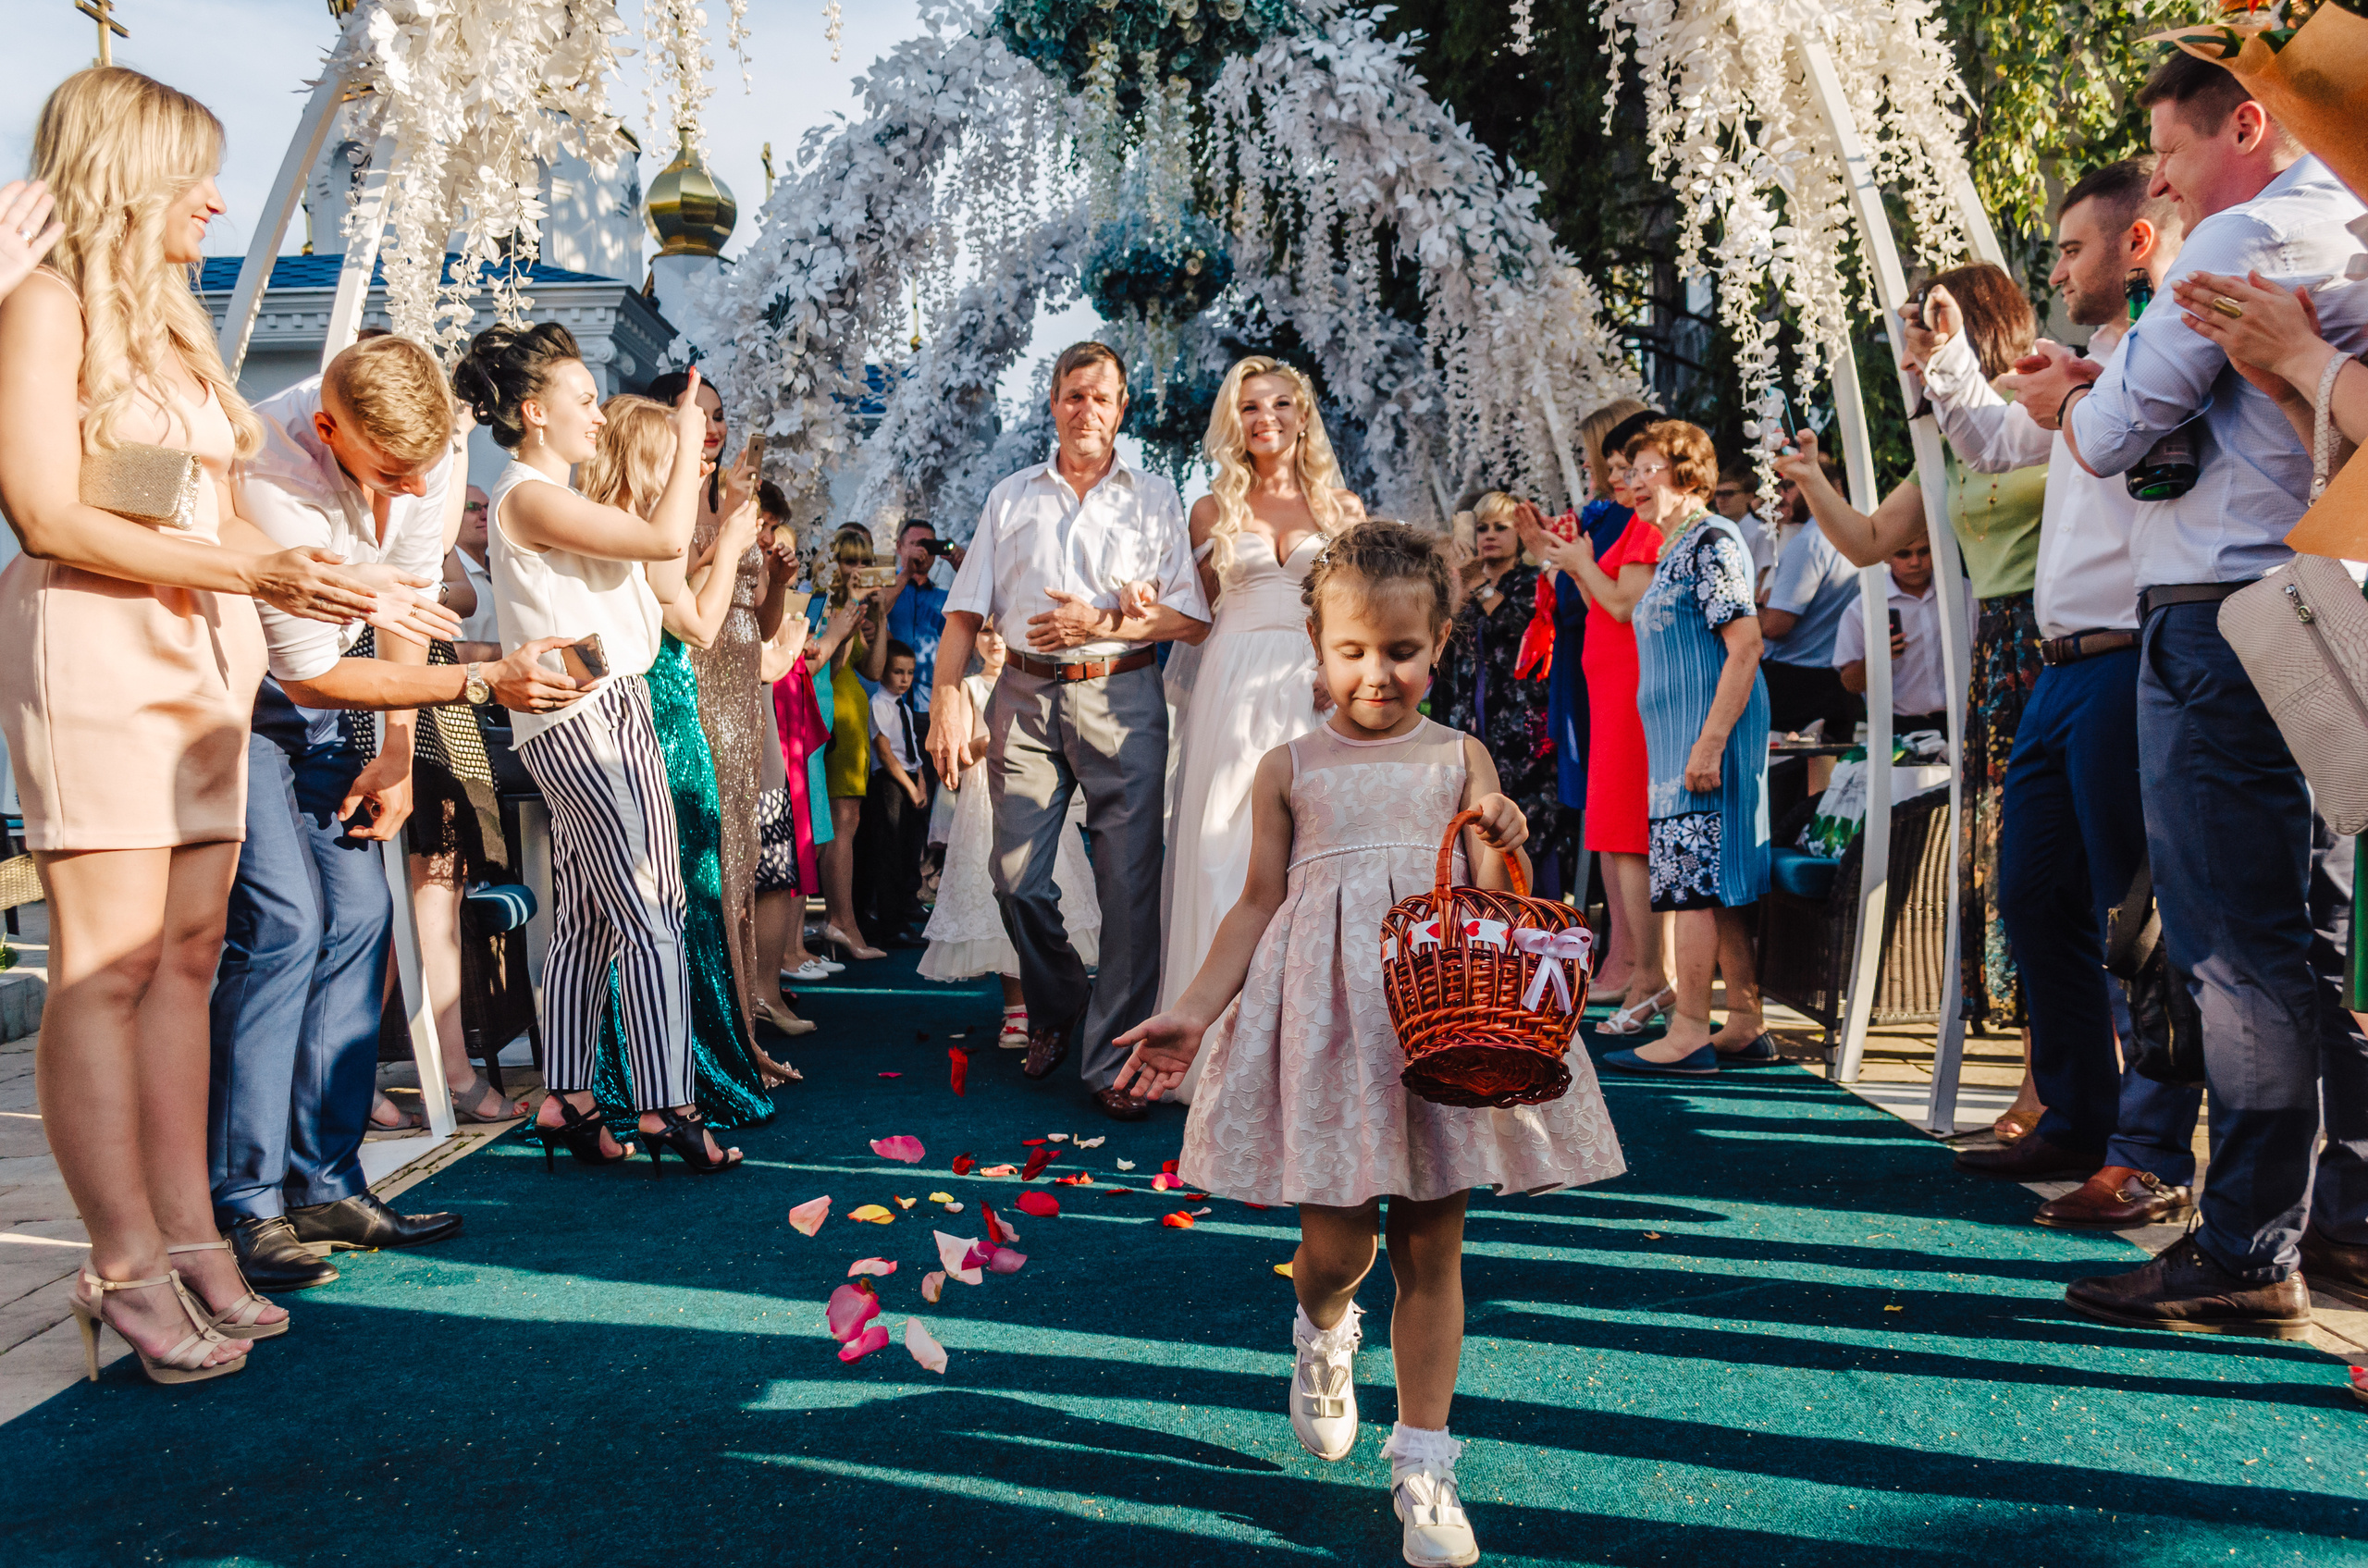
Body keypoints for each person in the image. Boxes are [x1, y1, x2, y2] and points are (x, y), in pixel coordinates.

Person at [1112, 521, 1625, 1567]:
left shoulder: (1460, 755)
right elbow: (1256, 905)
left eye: (1401, 651)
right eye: (1353, 651)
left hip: (1437, 1025)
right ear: (1317, 646)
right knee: (1341, 1248)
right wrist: (1194, 1011)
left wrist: (1503, 831)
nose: (1377, 673)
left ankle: (1425, 1462)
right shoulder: (1287, 766)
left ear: (1436, 644)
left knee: (1433, 1245)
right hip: (1332, 1031)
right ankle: (1322, 1329)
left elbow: (1487, 901)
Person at [0, 73, 372, 1387]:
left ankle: (190, 1230)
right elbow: (48, 510)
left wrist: (318, 577)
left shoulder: (173, 323)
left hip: (201, 652)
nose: (217, 199)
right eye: (197, 174)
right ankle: (121, 1261)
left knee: (194, 955)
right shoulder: (43, 307)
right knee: (106, 966)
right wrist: (253, 572)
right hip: (98, 644)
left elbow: (185, 505)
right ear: (131, 171)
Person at [2002, 52, 2368, 1333]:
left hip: (2224, 627)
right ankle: (2341, 1214)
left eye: (2170, 148)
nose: (2155, 177)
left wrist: (2077, 402)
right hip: (2315, 611)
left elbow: (2104, 444)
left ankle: (2245, 1241)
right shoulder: (2341, 226)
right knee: (2312, 938)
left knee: (2232, 947)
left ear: (2253, 123)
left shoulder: (2241, 241)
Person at [212, 331, 570, 1288]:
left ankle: (325, 1178)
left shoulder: (429, 454)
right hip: (252, 704)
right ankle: (244, 1201)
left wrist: (402, 753)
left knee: (364, 920)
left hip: (354, 710)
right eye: (389, 474)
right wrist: (484, 684)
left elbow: (402, 617)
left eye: (426, 473)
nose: (414, 495)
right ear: (326, 428)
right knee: (285, 926)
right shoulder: (269, 470)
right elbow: (314, 668)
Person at [1907, 155, 2205, 1227]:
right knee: (2034, 895)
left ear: (2136, 245)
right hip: (2057, 668)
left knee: (2139, 920)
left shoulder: (2173, 345)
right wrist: (1947, 363)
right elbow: (1993, 441)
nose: (2058, 267)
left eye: (2074, 247)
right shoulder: (2097, 360)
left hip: (2135, 652)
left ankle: (2148, 1149)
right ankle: (2077, 1114)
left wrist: (2082, 389)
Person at [457, 324, 746, 1176]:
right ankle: (669, 1103)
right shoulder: (524, 494)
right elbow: (663, 545)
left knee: (586, 920)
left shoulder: (560, 498)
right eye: (585, 401)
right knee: (653, 910)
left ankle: (569, 1096)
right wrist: (689, 441)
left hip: (601, 709)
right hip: (588, 720)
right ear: (535, 411)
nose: (598, 415)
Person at [927, 341, 1212, 1120]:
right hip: (1020, 692)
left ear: (1123, 409)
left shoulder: (1155, 497)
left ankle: (1110, 1066)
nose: (1087, 409)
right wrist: (945, 698)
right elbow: (963, 609)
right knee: (1015, 879)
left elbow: (1190, 618)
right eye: (1073, 394)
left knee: (1128, 886)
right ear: (1052, 402)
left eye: (1102, 397)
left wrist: (1107, 619)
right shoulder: (1010, 496)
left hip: (1124, 694)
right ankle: (1057, 999)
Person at [1776, 264, 2049, 1043]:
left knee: (2058, 863)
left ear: (1973, 330)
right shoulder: (1948, 444)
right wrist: (1811, 478)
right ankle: (2040, 1061)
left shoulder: (2051, 404)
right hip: (1992, 659)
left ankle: (2080, 1070)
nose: (1907, 359)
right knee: (2008, 864)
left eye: (1920, 337)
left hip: (2058, 640)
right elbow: (1866, 541)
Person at [571, 393, 796, 1119]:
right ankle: (670, 1077)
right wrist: (727, 547)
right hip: (661, 721)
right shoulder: (634, 535)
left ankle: (710, 1049)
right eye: (674, 454)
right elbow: (696, 625)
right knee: (676, 902)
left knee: (692, 895)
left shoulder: (635, 533)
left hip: (669, 718)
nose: (688, 469)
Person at [1159, 355, 1362, 1100]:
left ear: (1303, 415)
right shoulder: (1212, 511)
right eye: (1250, 407)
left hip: (1308, 690)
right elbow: (1190, 616)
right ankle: (1210, 1048)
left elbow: (1361, 613)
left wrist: (1336, 669)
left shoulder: (1343, 508)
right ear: (1234, 420)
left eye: (1280, 403)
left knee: (1307, 857)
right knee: (1223, 848)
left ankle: (1304, 1047)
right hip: (1231, 685)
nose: (1266, 417)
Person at [1595, 421, 1773, 1074]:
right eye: (1631, 469)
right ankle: (1746, 1019)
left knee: (1693, 885)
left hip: (1703, 741)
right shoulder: (1678, 546)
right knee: (1709, 885)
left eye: (1647, 468)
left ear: (1688, 474)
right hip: (1678, 744)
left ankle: (1691, 1028)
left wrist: (1711, 741)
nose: (1633, 481)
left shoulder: (1711, 542)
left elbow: (1745, 644)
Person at [645, 371, 799, 1046]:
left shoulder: (732, 500)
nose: (711, 428)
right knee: (701, 862)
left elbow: (761, 625)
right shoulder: (664, 502)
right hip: (692, 685)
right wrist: (726, 537)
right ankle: (703, 1032)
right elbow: (668, 593)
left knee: (742, 861)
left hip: (746, 690)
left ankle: (740, 1020)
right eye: (695, 413)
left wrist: (781, 580)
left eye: (718, 415)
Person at [1520, 411, 1669, 1032]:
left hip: (1630, 681)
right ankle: (1633, 964)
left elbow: (1618, 602)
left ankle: (1647, 972)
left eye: (1625, 469)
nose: (1615, 479)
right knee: (1611, 827)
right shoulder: (1624, 524)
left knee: (1629, 831)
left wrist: (1577, 563)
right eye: (1613, 470)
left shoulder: (1642, 529)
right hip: (1604, 681)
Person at [920, 620, 1103, 1046]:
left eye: (1002, 630)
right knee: (999, 900)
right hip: (988, 799)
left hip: (1039, 793)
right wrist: (991, 741)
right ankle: (1016, 1010)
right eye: (985, 631)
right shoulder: (970, 687)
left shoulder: (1041, 678)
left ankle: (1056, 998)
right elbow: (962, 757)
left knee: (1051, 890)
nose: (995, 639)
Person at [1536, 398, 1647, 912]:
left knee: (1621, 822)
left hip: (1620, 675)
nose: (1590, 466)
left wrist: (1575, 565)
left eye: (1597, 456)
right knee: (1604, 818)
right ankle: (1624, 954)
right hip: (1591, 672)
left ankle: (1636, 959)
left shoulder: (1634, 521)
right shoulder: (1606, 516)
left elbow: (1617, 602)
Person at [1431, 492, 1557, 856]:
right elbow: (1442, 638)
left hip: (1521, 723)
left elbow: (1518, 626)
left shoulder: (1535, 580)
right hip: (1469, 719)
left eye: (1501, 528)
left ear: (1520, 535)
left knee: (1526, 822)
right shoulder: (1464, 586)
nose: (1489, 535)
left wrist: (1477, 584)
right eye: (1482, 528)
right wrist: (1458, 586)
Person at [1757, 457, 1867, 765]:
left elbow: (1776, 625)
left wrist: (1745, 612)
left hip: (1797, 686)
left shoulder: (1812, 541)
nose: (1781, 495)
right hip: (1838, 684)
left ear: (1829, 486)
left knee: (1785, 790)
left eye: (1790, 485)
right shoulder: (1860, 529)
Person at [820, 524, 890, 960]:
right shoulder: (828, 606)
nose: (858, 569)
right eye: (850, 560)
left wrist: (879, 617)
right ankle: (840, 921)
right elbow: (832, 663)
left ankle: (843, 919)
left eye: (865, 561)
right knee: (839, 826)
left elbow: (876, 670)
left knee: (849, 823)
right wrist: (848, 616)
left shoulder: (858, 610)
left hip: (854, 715)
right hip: (833, 716)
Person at [1832, 535, 1965, 735]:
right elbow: (1850, 683)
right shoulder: (1863, 607)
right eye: (1903, 554)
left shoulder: (1963, 593)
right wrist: (1876, 656)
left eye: (1924, 551)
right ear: (1886, 556)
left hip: (1962, 720)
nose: (1915, 562)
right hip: (1898, 727)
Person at [858, 641, 932, 942]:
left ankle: (904, 912)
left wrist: (921, 782)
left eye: (910, 673)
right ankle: (890, 924)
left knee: (909, 851)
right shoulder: (879, 704)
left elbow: (912, 749)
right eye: (897, 672)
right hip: (890, 784)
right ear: (881, 672)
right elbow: (886, 753)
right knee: (888, 852)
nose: (904, 679)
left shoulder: (904, 706)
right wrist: (908, 787)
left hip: (910, 780)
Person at [878, 517, 959, 706]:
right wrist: (907, 571)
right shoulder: (881, 586)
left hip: (929, 700)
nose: (921, 552)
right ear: (899, 547)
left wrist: (963, 567)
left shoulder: (945, 598)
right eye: (915, 544)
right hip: (886, 698)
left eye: (927, 545)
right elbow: (877, 612)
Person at [1710, 462, 1776, 588]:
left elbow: (1765, 573)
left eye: (1729, 493)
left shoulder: (1760, 531)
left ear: (1749, 496)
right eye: (1718, 494)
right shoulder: (1715, 529)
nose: (1721, 499)